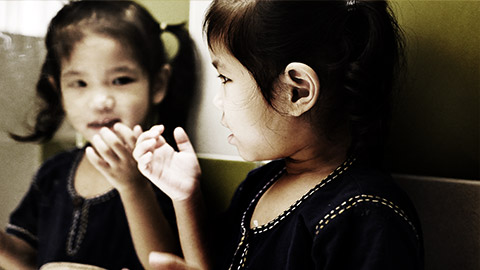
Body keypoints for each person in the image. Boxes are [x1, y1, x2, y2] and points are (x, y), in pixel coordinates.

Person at [134, 0, 424, 269]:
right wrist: (186, 197)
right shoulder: (258, 184)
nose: (217, 100)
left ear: (295, 91)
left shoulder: (366, 215)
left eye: (226, 78)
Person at [0, 0, 197, 269]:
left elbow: (166, 265)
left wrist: (133, 185)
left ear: (158, 84)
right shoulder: (52, 174)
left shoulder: (167, 173)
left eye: (121, 80)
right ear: (59, 90)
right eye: (79, 83)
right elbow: (25, 259)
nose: (100, 101)